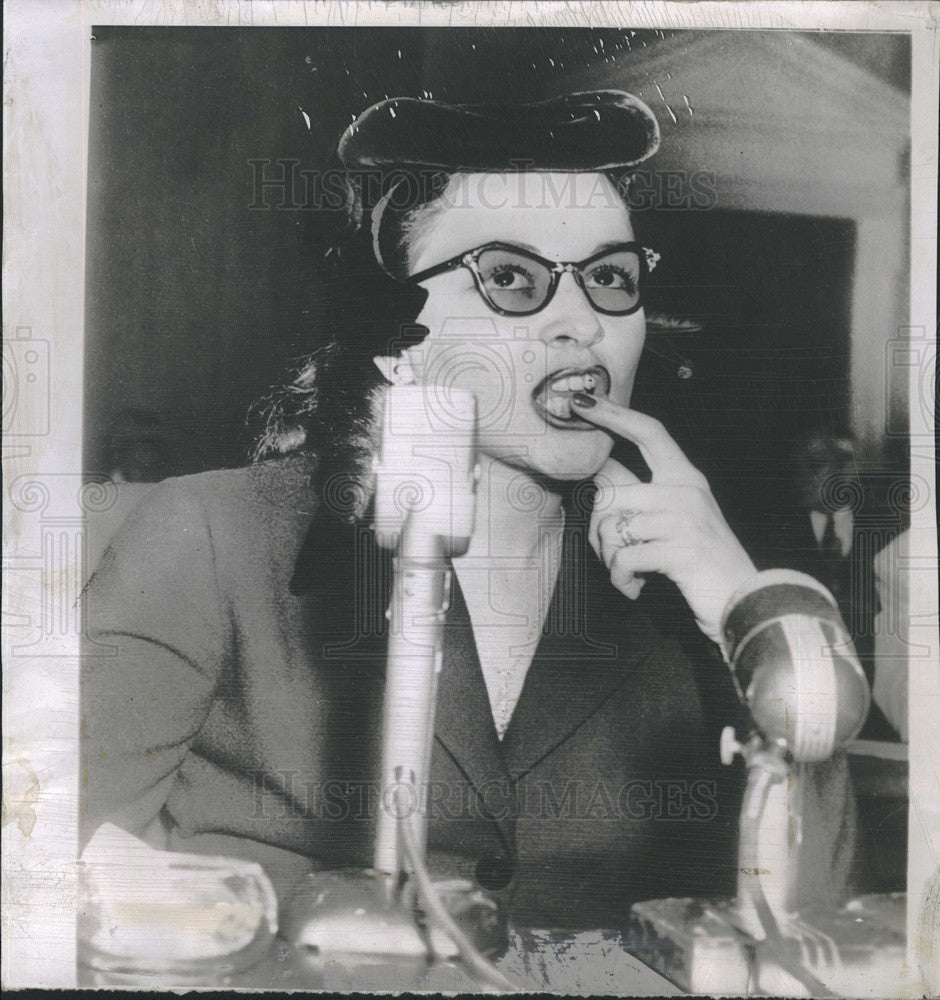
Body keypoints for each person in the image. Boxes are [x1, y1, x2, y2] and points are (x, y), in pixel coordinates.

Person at [81, 91, 860, 930]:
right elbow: (45, 864)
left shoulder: (686, 585)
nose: (581, 325)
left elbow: (811, 926)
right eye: (512, 279)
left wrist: (743, 607)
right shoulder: (212, 538)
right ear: (393, 339)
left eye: (609, 278)